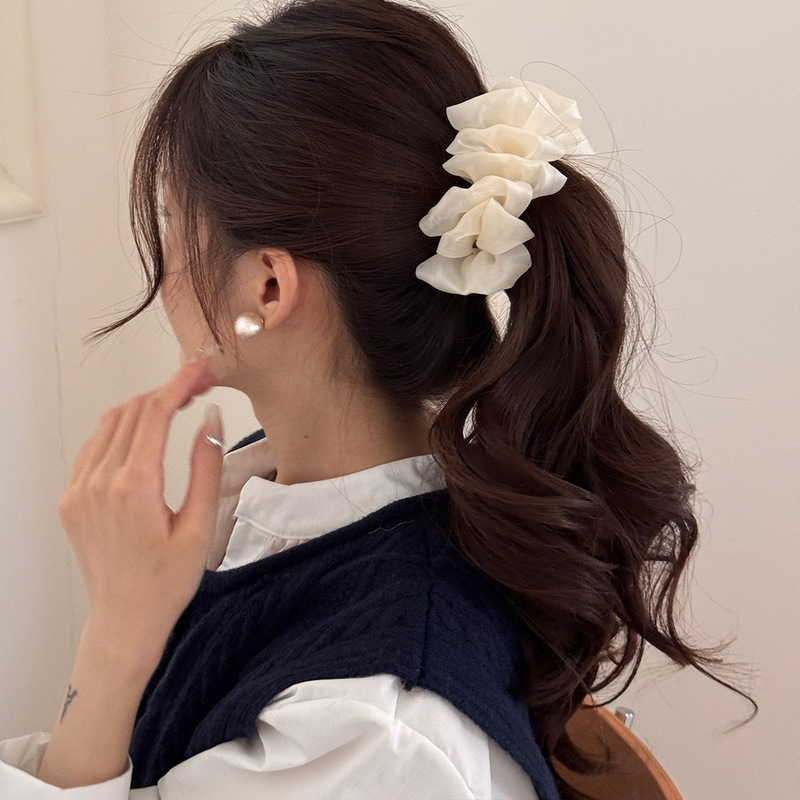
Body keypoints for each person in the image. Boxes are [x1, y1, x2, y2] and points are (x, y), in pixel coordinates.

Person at [0, 0, 757, 798]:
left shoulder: (373, 733)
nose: (162, 264)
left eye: (169, 219)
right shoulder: (283, 496)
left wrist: (115, 639)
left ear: (268, 286)